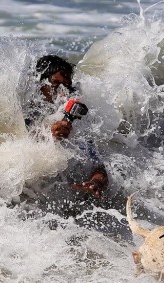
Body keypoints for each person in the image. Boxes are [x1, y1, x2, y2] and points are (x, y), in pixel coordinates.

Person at [26, 55, 109, 198]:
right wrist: (49, 135)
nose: (61, 93)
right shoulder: (24, 113)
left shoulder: (77, 121)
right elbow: (19, 147)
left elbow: (98, 164)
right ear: (39, 84)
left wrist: (95, 183)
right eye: (56, 84)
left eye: (66, 86)